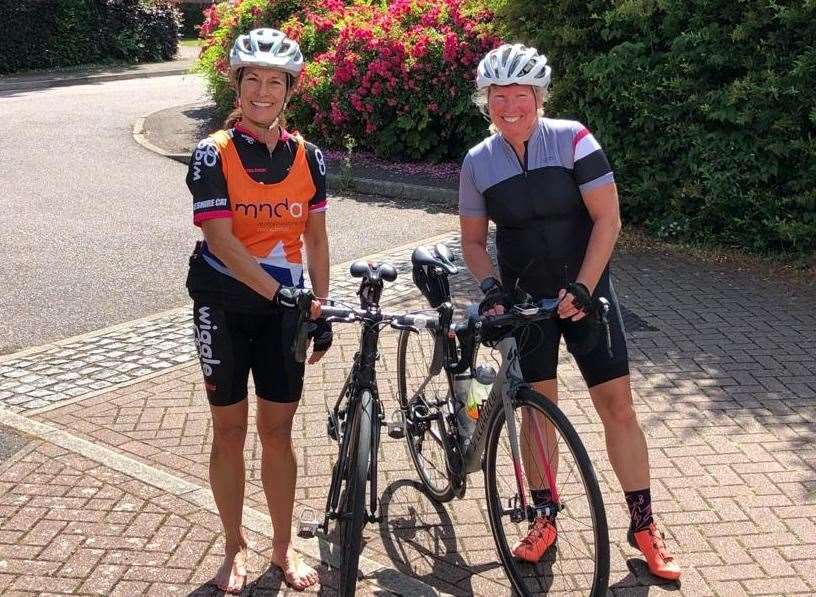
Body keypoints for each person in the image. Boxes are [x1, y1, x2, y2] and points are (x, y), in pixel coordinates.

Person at [458, 43, 681, 581]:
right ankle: (544, 515)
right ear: (485, 100)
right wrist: (492, 287)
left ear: (539, 96)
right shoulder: (477, 162)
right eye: (498, 97)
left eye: (521, 95)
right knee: (537, 412)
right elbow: (471, 241)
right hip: (526, 301)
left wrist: (583, 287)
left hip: (586, 295)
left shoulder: (574, 138)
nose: (510, 107)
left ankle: (645, 525)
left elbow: (608, 220)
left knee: (617, 408)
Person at [185, 28, 331, 593]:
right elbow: (220, 240)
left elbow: (316, 238)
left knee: (279, 432)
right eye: (253, 81)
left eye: (275, 82)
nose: (263, 92)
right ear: (238, 86)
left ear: (289, 91)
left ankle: (281, 545)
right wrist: (283, 296)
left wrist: (318, 304)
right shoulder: (213, 153)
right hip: (223, 306)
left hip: (285, 311)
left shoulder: (309, 158)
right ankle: (232, 547)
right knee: (229, 432)